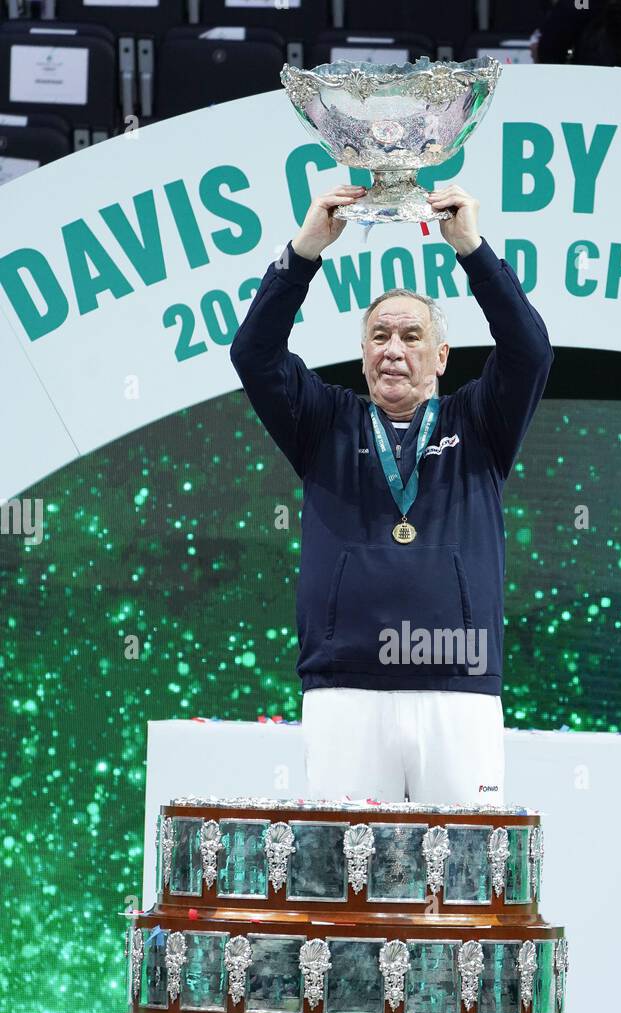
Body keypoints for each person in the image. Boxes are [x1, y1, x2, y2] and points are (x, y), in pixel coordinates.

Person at [229, 185, 553, 806]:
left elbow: (530, 351)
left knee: (465, 887)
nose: (394, 350)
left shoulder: (481, 422)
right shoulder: (325, 422)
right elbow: (254, 354)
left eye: (410, 336)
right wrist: (303, 254)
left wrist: (472, 251)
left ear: (441, 355)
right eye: (379, 336)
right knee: (343, 886)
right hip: (345, 689)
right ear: (362, 353)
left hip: (458, 684)